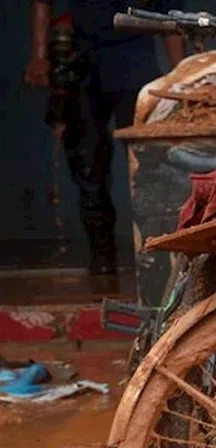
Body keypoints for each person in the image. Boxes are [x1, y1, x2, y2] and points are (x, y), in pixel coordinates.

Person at [24, 1, 185, 281]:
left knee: (149, 166)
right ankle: (102, 257)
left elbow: (171, 23)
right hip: (83, 65)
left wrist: (184, 78)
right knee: (88, 165)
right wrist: (40, 55)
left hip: (135, 66)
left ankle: (155, 256)